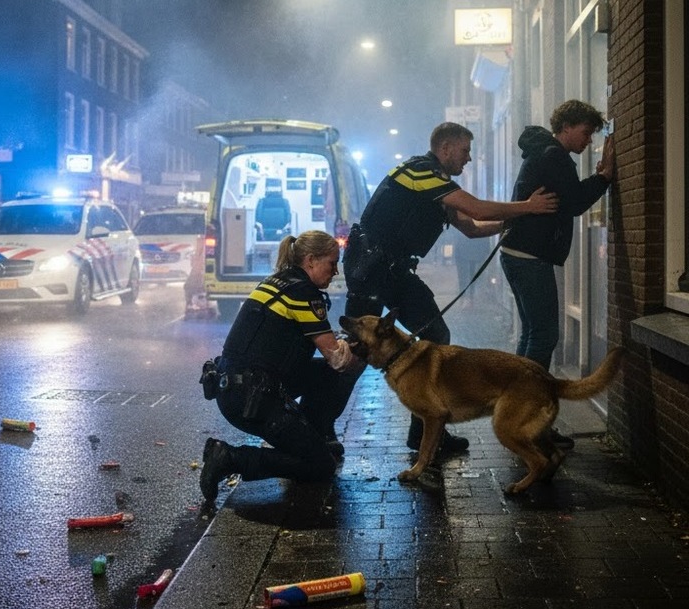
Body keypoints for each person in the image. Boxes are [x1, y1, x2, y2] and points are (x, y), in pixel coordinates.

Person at [342, 122, 559, 457]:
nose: (468, 159)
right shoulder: (420, 171)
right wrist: (528, 207)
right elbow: (476, 208)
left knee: (436, 333)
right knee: (353, 356)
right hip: (370, 270)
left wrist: (511, 223)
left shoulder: (437, 188)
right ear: (444, 148)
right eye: (464, 151)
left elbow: (471, 228)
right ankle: (318, 426)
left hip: (394, 270)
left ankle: (427, 431)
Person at [199, 230, 361, 504]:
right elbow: (338, 359)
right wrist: (366, 348)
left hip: (235, 389)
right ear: (310, 260)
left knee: (325, 375)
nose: (335, 271)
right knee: (321, 466)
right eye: (331, 263)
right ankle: (230, 458)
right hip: (254, 400)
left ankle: (316, 434)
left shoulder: (279, 282)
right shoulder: (303, 293)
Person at [500, 100, 615, 448]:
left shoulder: (543, 153)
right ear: (567, 127)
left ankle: (517, 413)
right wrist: (605, 176)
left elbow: (567, 199)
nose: (588, 141)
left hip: (518, 253)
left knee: (533, 334)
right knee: (546, 334)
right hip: (530, 256)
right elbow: (577, 202)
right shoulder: (554, 156)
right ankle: (530, 419)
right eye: (585, 132)